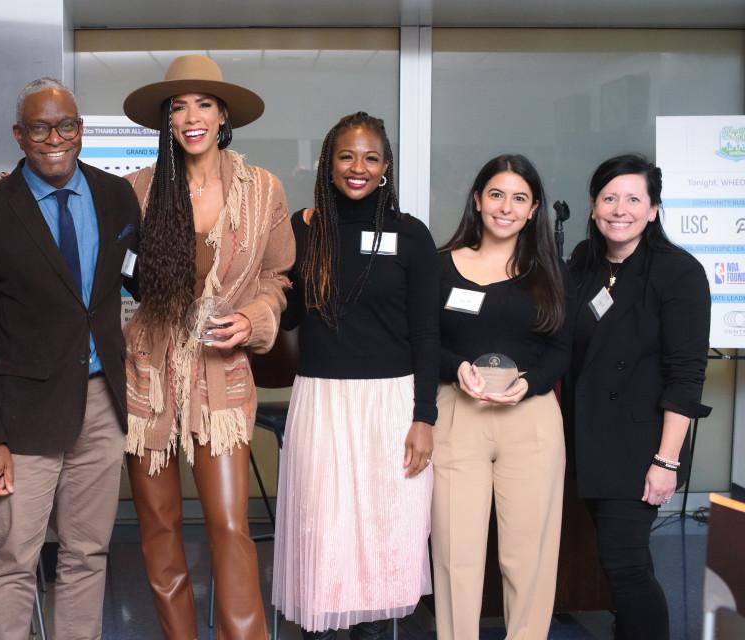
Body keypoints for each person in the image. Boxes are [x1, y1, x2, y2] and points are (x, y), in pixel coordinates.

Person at [0, 78, 139, 640]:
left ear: (81, 131)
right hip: (22, 418)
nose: (54, 138)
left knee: (89, 553)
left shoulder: (115, 198)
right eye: (40, 127)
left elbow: (140, 281)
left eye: (66, 126)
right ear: (19, 135)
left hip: (102, 404)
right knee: (13, 559)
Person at [118, 54, 294, 639]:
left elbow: (277, 279)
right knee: (159, 527)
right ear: (166, 120)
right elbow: (109, 273)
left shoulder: (262, 189)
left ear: (223, 115)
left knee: (228, 524)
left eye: (203, 104)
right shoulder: (136, 191)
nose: (191, 116)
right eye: (178, 106)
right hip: (149, 380)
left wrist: (253, 319)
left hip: (222, 378)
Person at [274, 112, 438, 640]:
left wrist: (425, 418)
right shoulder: (305, 230)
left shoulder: (411, 236)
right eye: (346, 156)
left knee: (381, 537)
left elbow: (427, 334)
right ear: (329, 163)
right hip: (322, 402)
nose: (358, 168)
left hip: (392, 405)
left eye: (370, 157)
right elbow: (290, 316)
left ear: (386, 167)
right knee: (324, 538)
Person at [564, 154, 710, 640]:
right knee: (617, 563)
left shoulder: (679, 273)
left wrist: (666, 462)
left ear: (653, 210)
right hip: (587, 440)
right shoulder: (583, 263)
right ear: (593, 205)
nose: (619, 209)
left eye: (633, 199)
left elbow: (686, 375)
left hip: (643, 444)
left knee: (624, 565)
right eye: (609, 198)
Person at [432, 154, 573, 639]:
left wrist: (529, 384)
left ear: (533, 209)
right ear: (477, 199)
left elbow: (562, 349)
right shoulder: (439, 267)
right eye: (496, 194)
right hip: (457, 415)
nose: (506, 207)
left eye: (519, 198)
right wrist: (456, 368)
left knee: (528, 556)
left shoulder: (550, 271)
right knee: (456, 554)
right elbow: (422, 342)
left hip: (530, 419)